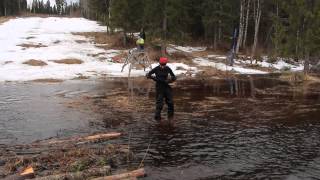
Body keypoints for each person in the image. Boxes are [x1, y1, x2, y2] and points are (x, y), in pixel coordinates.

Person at [146, 57, 176, 122]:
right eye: (162, 65)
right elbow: (148, 75)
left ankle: (170, 118)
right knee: (160, 104)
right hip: (159, 87)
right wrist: (153, 78)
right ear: (160, 63)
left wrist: (169, 81)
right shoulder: (156, 68)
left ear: (166, 64)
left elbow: (174, 77)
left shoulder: (167, 68)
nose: (163, 66)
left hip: (166, 86)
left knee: (170, 102)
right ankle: (158, 119)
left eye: (164, 65)